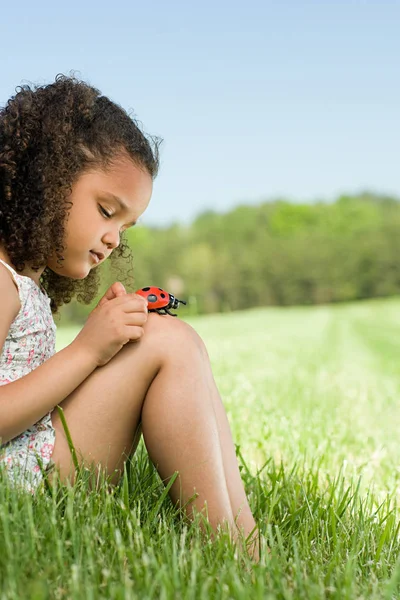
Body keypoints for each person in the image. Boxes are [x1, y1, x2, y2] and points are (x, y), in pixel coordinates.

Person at [0, 74, 259, 560]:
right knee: (167, 342)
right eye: (106, 210)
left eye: (126, 225)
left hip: (33, 462)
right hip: (21, 484)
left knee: (176, 340)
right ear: (46, 180)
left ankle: (248, 545)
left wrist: (103, 348)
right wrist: (86, 352)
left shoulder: (20, 280)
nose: (115, 238)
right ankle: (236, 557)